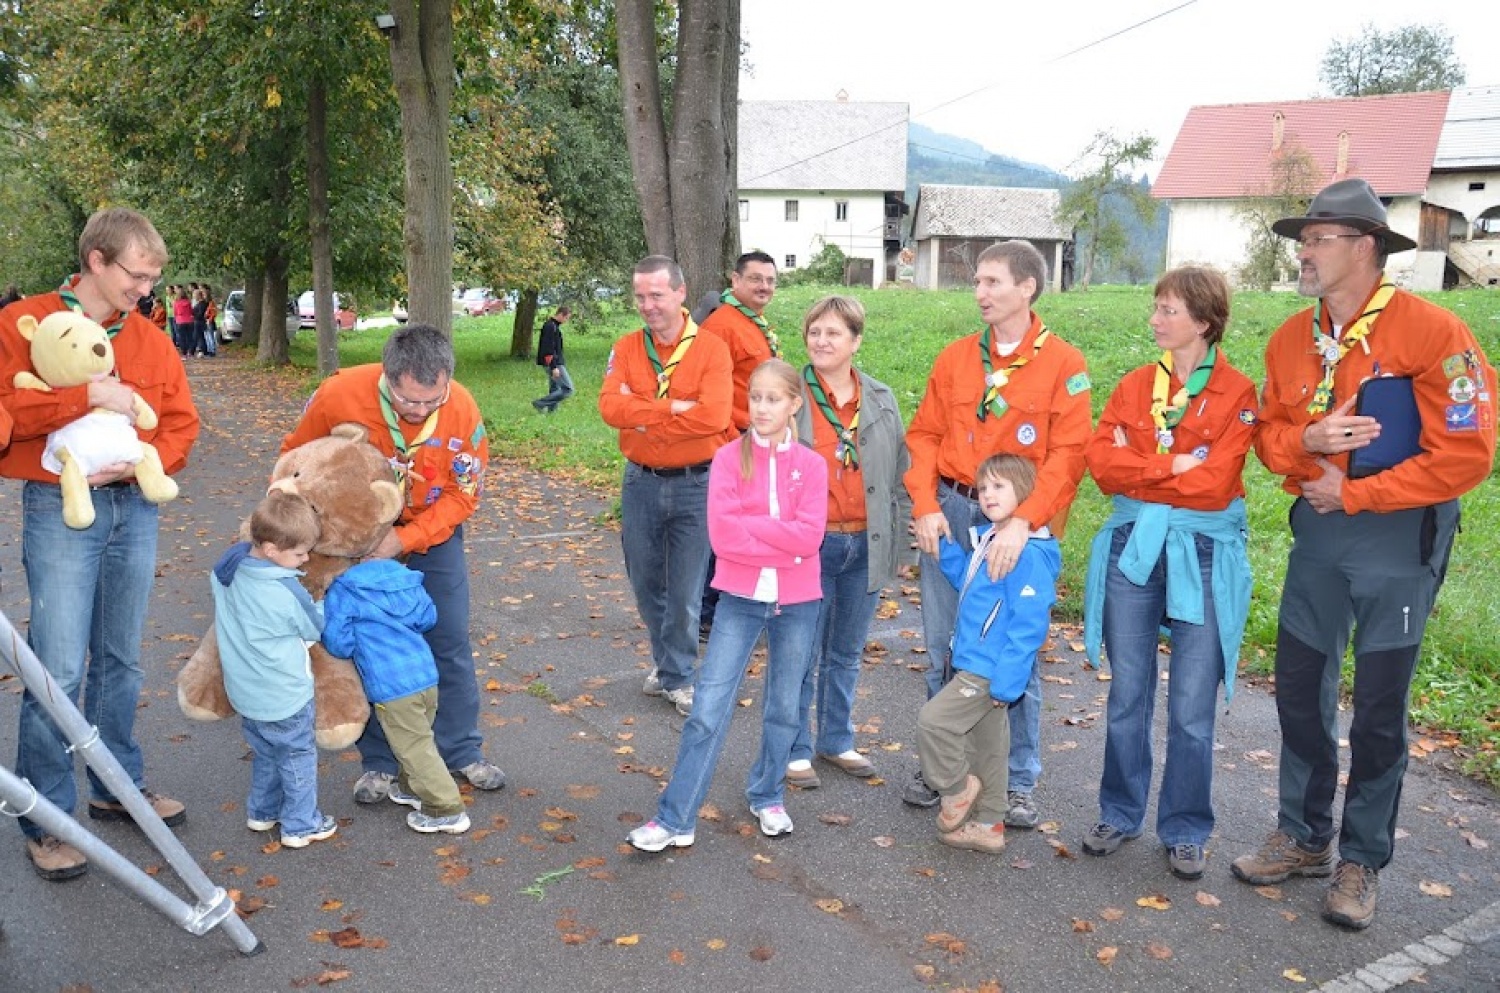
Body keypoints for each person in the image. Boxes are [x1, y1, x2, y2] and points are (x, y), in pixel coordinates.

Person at [1230, 178, 1497, 930]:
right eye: (1303, 239)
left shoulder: (1433, 333)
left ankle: (1362, 858)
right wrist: (1305, 444)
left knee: (1379, 709)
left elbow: (1468, 454)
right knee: (1298, 686)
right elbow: (1267, 436)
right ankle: (1306, 834)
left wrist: (1358, 494)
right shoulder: (1290, 337)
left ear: (1365, 247)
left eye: (1318, 238)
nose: (1304, 251)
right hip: (1318, 535)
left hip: (1397, 535)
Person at [0, 206, 200, 880]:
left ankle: (116, 786)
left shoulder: (149, 337)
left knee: (120, 658)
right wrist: (88, 394)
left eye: (152, 278)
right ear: (97, 261)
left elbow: (179, 422)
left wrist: (150, 460)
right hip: (61, 507)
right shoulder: (21, 322)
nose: (147, 289)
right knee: (56, 666)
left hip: (134, 507)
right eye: (137, 275)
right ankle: (46, 814)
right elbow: (8, 413)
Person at [903, 239, 1091, 825]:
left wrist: (1024, 523)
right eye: (977, 282)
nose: (979, 292)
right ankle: (947, 769)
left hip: (1018, 525)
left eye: (991, 282)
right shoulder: (956, 358)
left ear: (1027, 287)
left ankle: (1015, 782)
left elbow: (1068, 455)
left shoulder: (1065, 364)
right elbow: (925, 436)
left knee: (1014, 655)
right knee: (946, 648)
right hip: (954, 514)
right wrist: (926, 503)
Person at [1079, 266, 1256, 881]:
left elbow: (1214, 483)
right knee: (1128, 694)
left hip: (1201, 553)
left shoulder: (1237, 391)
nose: (1155, 319)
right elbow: (1101, 464)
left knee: (1189, 705)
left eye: (1169, 310)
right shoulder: (1134, 386)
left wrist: (1145, 465)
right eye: (1156, 307)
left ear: (1203, 322)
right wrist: (1173, 463)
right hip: (1134, 545)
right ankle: (1120, 813)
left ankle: (1184, 827)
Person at [281, 322, 507, 804]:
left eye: (432, 402)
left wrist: (406, 538)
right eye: (409, 402)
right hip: (356, 543)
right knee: (365, 645)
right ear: (387, 377)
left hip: (431, 536)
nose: (420, 411)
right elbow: (295, 460)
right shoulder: (338, 394)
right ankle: (380, 763)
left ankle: (460, 750)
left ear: (447, 380)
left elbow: (465, 492)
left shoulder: (461, 406)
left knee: (447, 639)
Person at [628, 359, 827, 851]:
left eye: (773, 399)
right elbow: (725, 537)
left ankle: (768, 793)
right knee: (708, 710)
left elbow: (811, 536)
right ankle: (676, 818)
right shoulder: (725, 459)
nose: (761, 407)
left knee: (784, 708)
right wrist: (780, 539)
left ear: (793, 405)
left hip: (798, 601)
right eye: (755, 397)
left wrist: (755, 523)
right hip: (739, 600)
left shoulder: (812, 465)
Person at [599, 255, 734, 716]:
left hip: (698, 484)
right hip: (640, 483)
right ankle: (669, 661)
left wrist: (641, 410)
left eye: (656, 295)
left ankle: (678, 675)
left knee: (686, 588)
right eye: (640, 296)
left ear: (680, 292)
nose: (648, 305)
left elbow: (714, 418)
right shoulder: (626, 346)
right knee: (645, 582)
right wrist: (675, 409)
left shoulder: (712, 349)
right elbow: (608, 410)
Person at [786, 296, 911, 788]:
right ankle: (794, 746)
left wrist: (901, 550)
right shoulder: (790, 394)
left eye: (833, 333)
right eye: (815, 332)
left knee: (846, 651)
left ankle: (835, 739)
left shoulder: (879, 398)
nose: (822, 341)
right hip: (809, 546)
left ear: (855, 341)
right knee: (800, 651)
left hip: (865, 543)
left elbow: (901, 475)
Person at [916, 454, 1059, 854]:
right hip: (979, 663)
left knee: (935, 723)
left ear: (1026, 494)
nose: (987, 495)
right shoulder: (990, 540)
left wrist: (1007, 682)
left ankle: (957, 788)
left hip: (989, 671)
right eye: (983, 488)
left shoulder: (1028, 553)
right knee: (990, 749)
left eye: (999, 486)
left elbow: (1028, 627)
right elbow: (970, 584)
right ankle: (989, 824)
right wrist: (946, 547)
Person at [210, 490, 338, 850]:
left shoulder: (226, 572)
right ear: (271, 550)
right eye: (299, 554)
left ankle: (262, 810)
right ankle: (301, 823)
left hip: (246, 689)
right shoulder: (284, 591)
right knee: (297, 754)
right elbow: (313, 628)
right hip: (283, 692)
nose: (306, 558)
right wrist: (326, 602)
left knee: (266, 751)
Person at [323, 558, 471, 835]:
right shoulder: (404, 576)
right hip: (425, 675)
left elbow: (338, 643)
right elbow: (428, 618)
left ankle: (446, 809)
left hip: (391, 684)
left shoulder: (345, 589)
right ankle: (410, 787)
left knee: (413, 746)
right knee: (417, 736)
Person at [697, 251, 781, 634]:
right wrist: (733, 443)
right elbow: (706, 388)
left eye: (770, 281)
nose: (764, 286)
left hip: (757, 440)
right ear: (735, 280)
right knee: (725, 530)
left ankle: (729, 607)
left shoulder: (752, 322)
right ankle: (703, 614)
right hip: (734, 444)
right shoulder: (722, 326)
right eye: (755, 279)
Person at [532, 305, 574, 414]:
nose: (566, 321)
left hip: (555, 361)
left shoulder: (554, 326)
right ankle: (540, 403)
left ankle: (552, 412)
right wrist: (554, 367)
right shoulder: (550, 327)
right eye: (566, 318)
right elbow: (548, 348)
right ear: (560, 315)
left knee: (554, 387)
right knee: (568, 389)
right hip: (553, 363)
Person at [172, 285, 195, 357]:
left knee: (182, 337)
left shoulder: (176, 303)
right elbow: (191, 311)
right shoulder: (188, 302)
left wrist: (176, 319)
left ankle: (184, 352)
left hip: (180, 321)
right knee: (190, 337)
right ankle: (190, 351)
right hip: (189, 321)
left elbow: (175, 312)